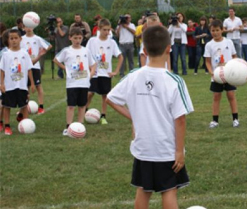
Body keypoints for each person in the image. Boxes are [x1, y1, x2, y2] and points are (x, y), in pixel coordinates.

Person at [106, 25, 193, 209]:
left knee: (143, 190)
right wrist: (179, 151)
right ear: (169, 48)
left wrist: (133, 117)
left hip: (143, 147)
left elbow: (111, 99)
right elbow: (180, 119)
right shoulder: (175, 81)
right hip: (166, 149)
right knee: (169, 191)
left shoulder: (133, 76)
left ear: (144, 50)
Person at [54, 27, 96, 136]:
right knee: (71, 105)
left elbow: (93, 64)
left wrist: (90, 75)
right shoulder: (67, 51)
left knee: (82, 105)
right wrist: (65, 69)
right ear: (70, 38)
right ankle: (68, 126)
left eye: (80, 38)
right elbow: (56, 60)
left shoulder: (86, 50)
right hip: (72, 84)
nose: (77, 40)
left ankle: (80, 125)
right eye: (75, 38)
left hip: (84, 83)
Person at [86, 19, 123, 125]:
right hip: (94, 73)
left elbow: (120, 57)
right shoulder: (92, 41)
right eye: (104, 30)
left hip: (106, 74)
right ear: (99, 29)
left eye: (108, 30)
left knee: (105, 96)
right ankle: (85, 110)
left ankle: (103, 116)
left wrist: (115, 71)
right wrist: (90, 68)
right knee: (90, 93)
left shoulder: (111, 42)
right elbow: (86, 55)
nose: (107, 32)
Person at [204, 19, 239, 129]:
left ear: (222, 30)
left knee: (231, 95)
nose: (215, 32)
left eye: (217, 30)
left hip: (229, 75)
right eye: (213, 30)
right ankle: (215, 121)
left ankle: (235, 119)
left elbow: (234, 57)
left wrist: (234, 68)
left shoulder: (229, 42)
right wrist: (212, 73)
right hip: (217, 75)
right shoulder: (209, 45)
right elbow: (208, 61)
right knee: (216, 96)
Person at [0, 29, 35, 135]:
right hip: (9, 86)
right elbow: (2, 71)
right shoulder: (6, 55)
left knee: (24, 106)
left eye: (16, 38)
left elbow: (29, 69)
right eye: (11, 38)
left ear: (20, 39)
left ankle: (26, 124)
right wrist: (1, 84)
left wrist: (32, 84)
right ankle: (7, 126)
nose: (14, 40)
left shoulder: (25, 53)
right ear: (8, 40)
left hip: (22, 86)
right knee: (7, 107)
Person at [21, 25, 52, 116]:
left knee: (38, 86)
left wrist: (41, 53)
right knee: (26, 88)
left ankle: (41, 107)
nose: (28, 28)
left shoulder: (37, 38)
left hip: (35, 66)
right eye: (26, 26)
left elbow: (49, 46)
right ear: (24, 28)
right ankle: (24, 108)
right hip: (24, 67)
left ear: (33, 27)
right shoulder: (21, 39)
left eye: (30, 26)